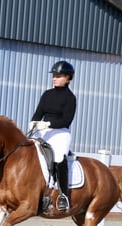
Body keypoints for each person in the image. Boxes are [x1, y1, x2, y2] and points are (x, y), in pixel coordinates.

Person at [29, 60, 76, 211]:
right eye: (54, 75)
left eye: (58, 75)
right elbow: (38, 113)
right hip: (43, 131)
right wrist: (33, 122)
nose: (54, 78)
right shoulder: (47, 94)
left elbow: (66, 120)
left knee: (59, 157)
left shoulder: (70, 98)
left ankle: (63, 196)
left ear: (68, 78)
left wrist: (48, 124)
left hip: (60, 133)